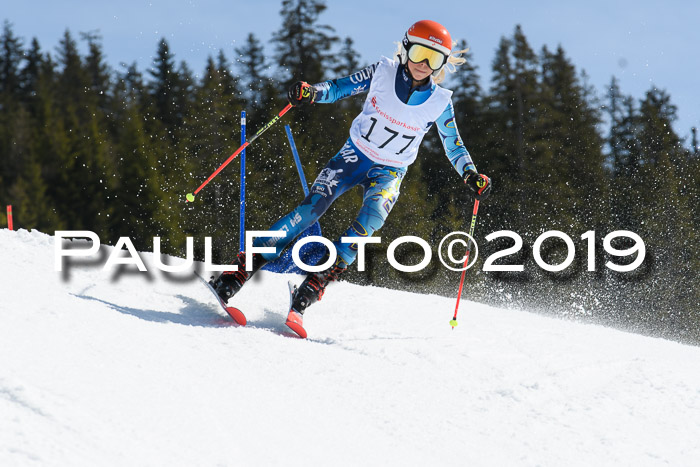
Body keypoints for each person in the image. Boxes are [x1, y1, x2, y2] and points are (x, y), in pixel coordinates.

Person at [211, 20, 492, 336]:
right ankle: (234, 276)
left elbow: (454, 144)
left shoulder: (440, 102)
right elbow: (340, 87)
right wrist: (312, 92)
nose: (424, 65)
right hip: (353, 157)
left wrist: (470, 174)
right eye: (420, 53)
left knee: (369, 221)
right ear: (407, 48)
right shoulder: (383, 72)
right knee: (309, 212)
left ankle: (310, 291)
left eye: (435, 59)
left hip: (390, 172)